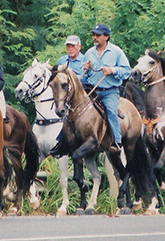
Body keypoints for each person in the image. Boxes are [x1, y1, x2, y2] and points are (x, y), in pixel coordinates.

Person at [50, 24, 131, 158]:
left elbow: (127, 71)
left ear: (106, 37)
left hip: (109, 91)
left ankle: (116, 142)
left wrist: (112, 70)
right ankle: (62, 143)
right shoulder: (89, 53)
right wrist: (85, 69)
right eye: (94, 35)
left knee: (111, 112)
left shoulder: (116, 52)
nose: (95, 37)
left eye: (98, 35)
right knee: (71, 110)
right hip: (91, 90)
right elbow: (84, 77)